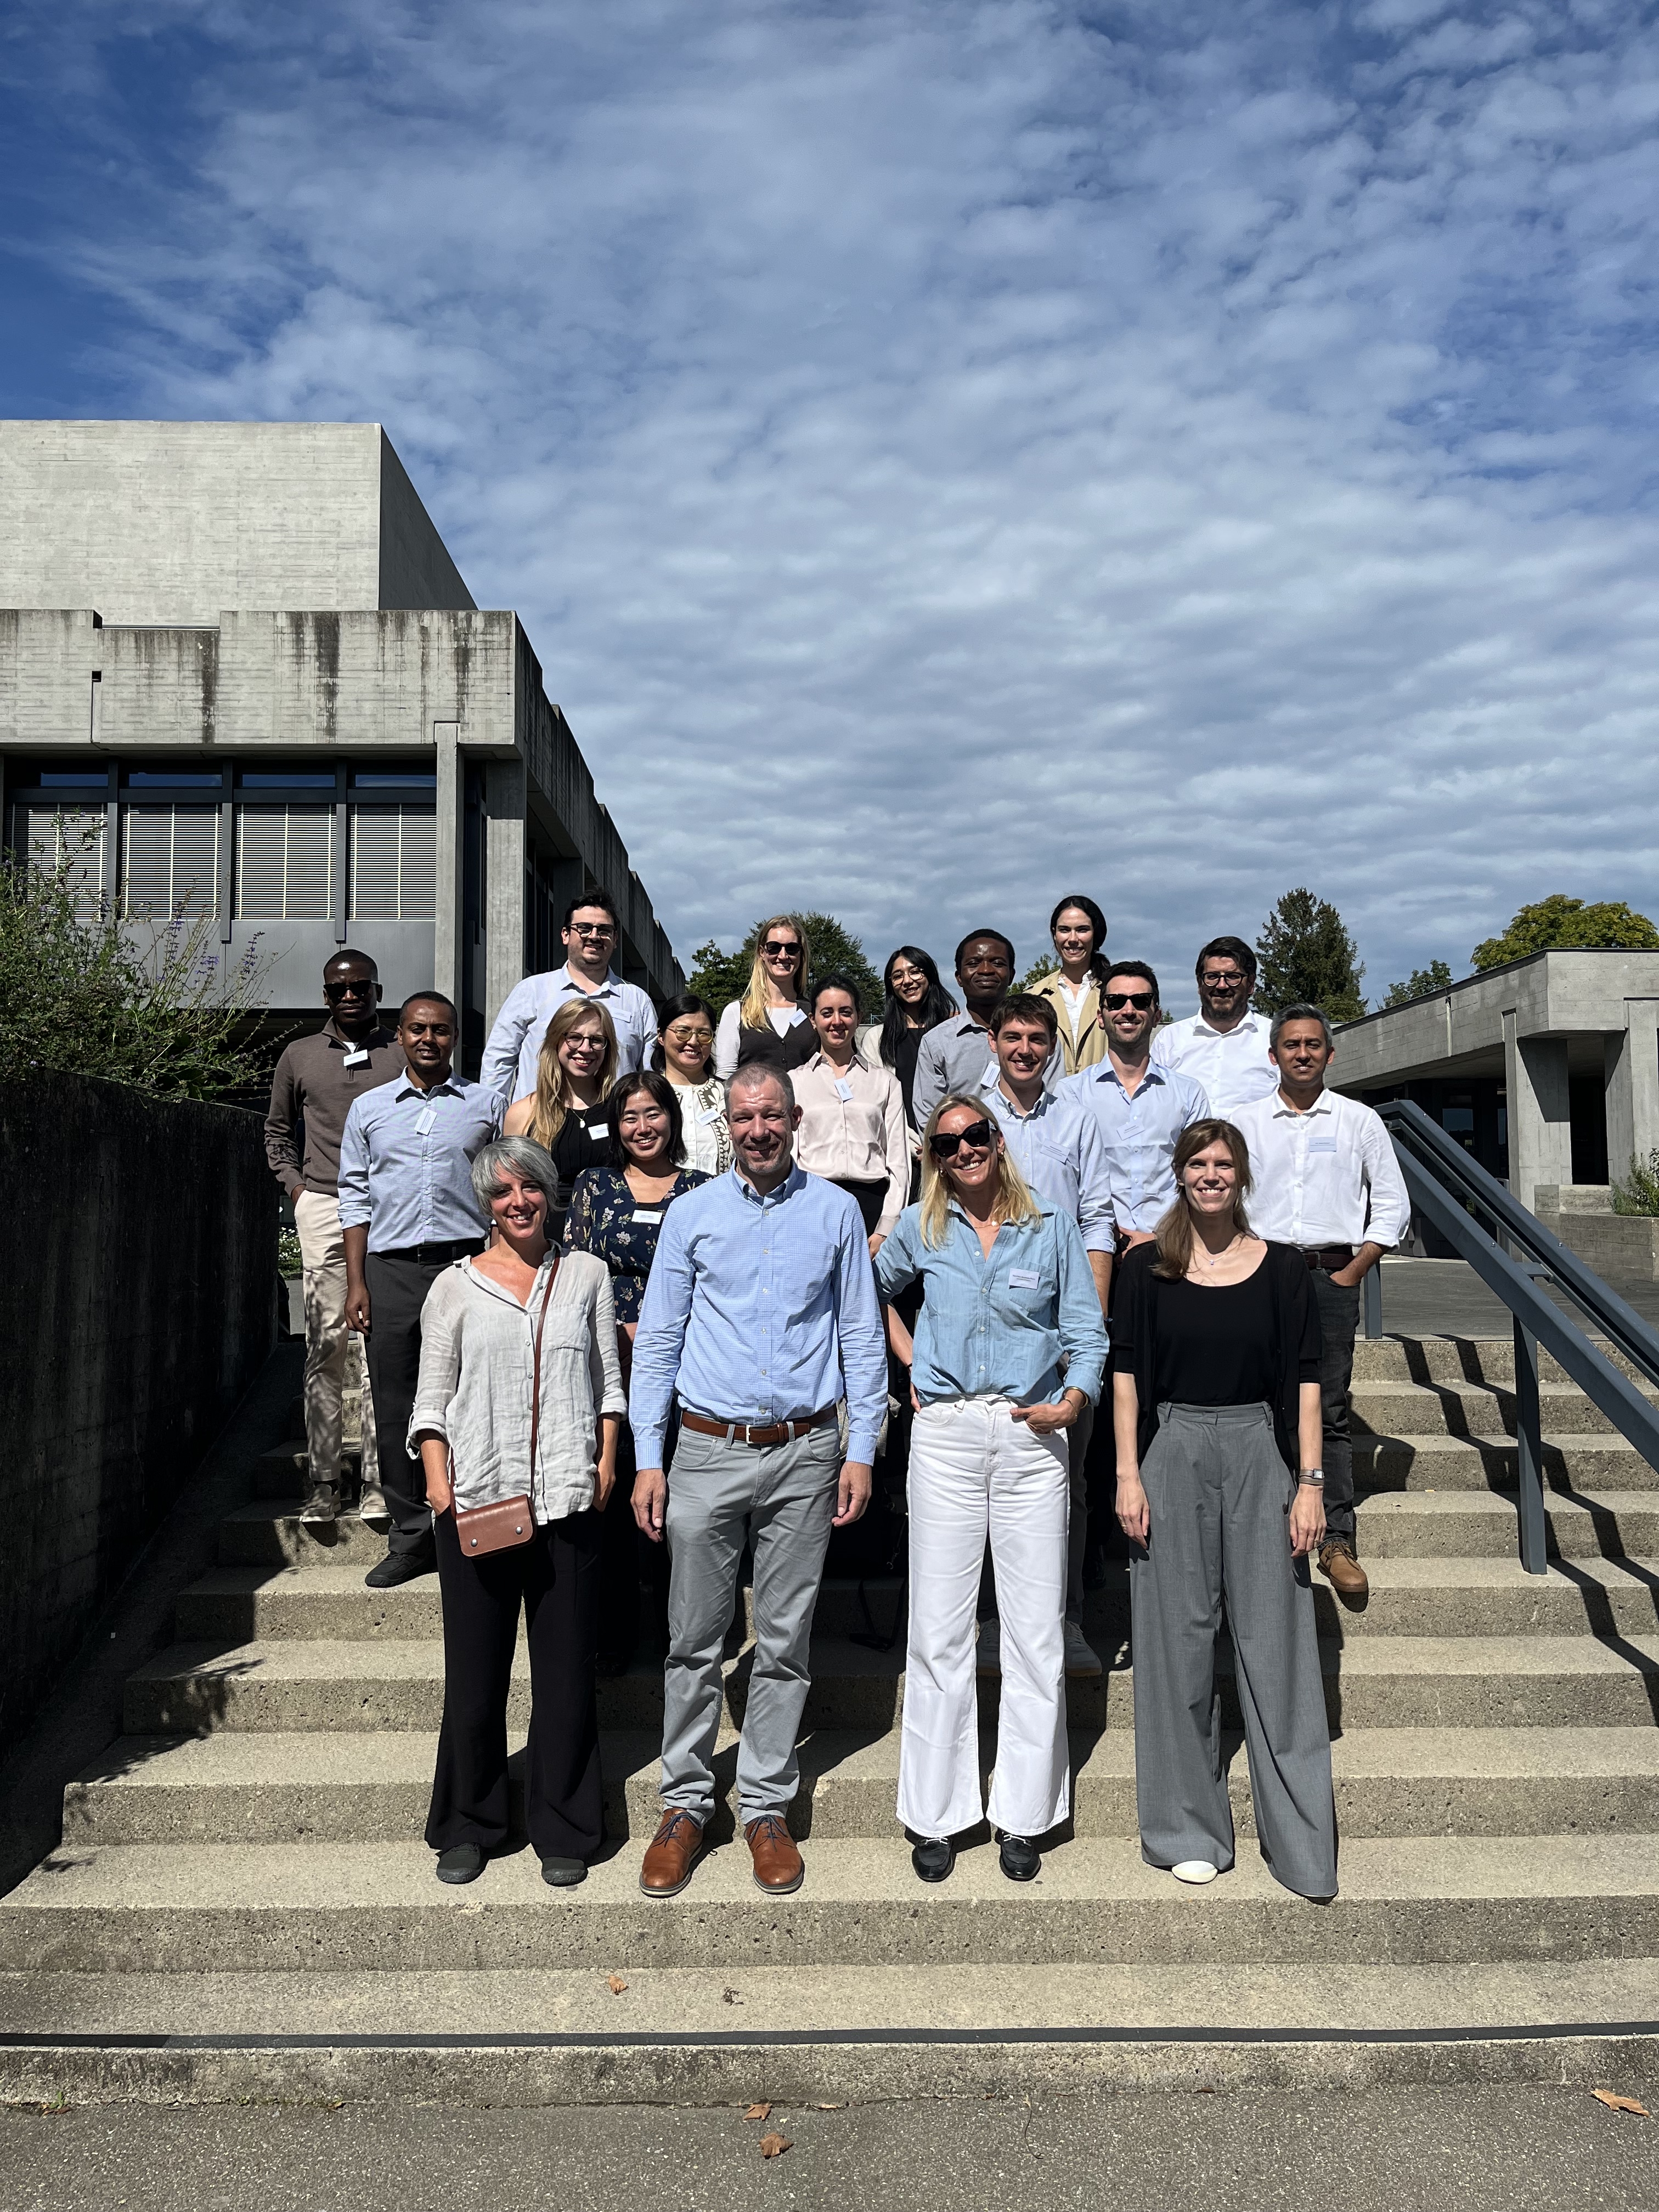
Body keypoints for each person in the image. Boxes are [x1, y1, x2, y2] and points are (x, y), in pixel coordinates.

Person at [628, 1063, 888, 1900]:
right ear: (729, 1126)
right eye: (745, 1118)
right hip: (705, 1449)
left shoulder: (836, 1213)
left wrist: (862, 1449)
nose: (759, 1130)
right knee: (694, 1640)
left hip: (806, 1451)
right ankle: (685, 1804)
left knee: (783, 1642)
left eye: (772, 1115)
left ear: (794, 1119)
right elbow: (659, 1342)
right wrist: (647, 1457)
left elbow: (860, 1335)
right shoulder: (693, 1216)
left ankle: (767, 1806)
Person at [877, 1098, 1106, 1886]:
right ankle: (938, 1814)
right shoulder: (920, 1228)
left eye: (976, 1136)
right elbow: (863, 1287)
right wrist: (906, 1354)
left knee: (1034, 1632)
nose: (964, 1150)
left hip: (1031, 1433)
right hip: (944, 1435)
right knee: (939, 1630)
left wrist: (1074, 1400)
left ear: (998, 1142)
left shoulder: (1050, 1227)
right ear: (934, 1156)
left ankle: (1025, 1814)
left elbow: (1087, 1331)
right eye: (947, 1143)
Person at [1111, 1119, 1336, 1899]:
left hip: (1257, 1449)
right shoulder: (1146, 1269)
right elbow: (1128, 1377)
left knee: (1276, 1648)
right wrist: (1127, 1476)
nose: (1211, 1176)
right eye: (1198, 1164)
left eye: (1224, 1164)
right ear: (1179, 1174)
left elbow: (1307, 1381)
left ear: (1242, 1176)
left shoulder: (1281, 1270)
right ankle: (1188, 1827)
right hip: (1170, 1450)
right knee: (1177, 1642)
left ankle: (1301, 1840)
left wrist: (1311, 1485)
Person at [411, 1137, 626, 1888]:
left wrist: (604, 1465)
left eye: (529, 1187)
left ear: (548, 1192)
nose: (518, 1202)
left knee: (566, 1677)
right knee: (475, 1679)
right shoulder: (454, 1288)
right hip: (478, 1501)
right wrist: (440, 1486)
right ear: (486, 1205)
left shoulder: (587, 1276)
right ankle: (468, 1822)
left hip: (569, 1502)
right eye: (502, 1193)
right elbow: (430, 1402)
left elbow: (607, 1385)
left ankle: (564, 1823)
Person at [1229, 1005, 1411, 1609]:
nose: (1302, 1053)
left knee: (1329, 1409)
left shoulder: (1359, 1121)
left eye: (1313, 1045)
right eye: (1290, 1045)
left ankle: (1336, 1539)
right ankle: (1264, 1528)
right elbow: (1222, 1195)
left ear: (1330, 1055)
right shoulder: (1245, 1122)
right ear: (1273, 1055)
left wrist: (1353, 1272)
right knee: (1255, 1402)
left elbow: (1391, 1205)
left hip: (1329, 1276)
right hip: (1258, 1275)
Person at [340, 994, 500, 1589]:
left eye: (440, 1030)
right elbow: (354, 1197)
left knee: (471, 1397)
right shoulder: (369, 1109)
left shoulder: (485, 1105)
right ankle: (411, 1536)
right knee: (396, 1398)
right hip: (391, 1268)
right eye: (417, 1029)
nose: (428, 1039)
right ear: (400, 1035)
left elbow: (500, 1193)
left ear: (456, 1036)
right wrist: (357, 1280)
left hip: (464, 1267)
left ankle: (473, 1522)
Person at [976, 994, 1114, 1677]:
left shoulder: (1079, 1120)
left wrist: (1085, 1320)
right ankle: (991, 1622)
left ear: (1052, 1045)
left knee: (1068, 1483)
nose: (1025, 1048)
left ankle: (1066, 1619)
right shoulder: (967, 1118)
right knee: (983, 1481)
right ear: (993, 1041)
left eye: (1036, 1037)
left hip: (1060, 1326)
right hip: (983, 1325)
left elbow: (1097, 1222)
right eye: (1013, 1037)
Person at [563, 1071, 710, 1671]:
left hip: (687, 1367)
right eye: (630, 1117)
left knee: (684, 1504)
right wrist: (610, 1334)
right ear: (616, 1127)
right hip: (607, 1364)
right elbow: (573, 1268)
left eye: (653, 1114)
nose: (642, 1127)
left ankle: (686, 1635)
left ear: (671, 1119)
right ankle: (614, 1635)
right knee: (615, 1491)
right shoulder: (595, 1186)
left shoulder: (703, 1190)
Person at [263, 950, 404, 1528]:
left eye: (361, 987)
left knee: (378, 1350)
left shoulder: (400, 1055)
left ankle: (376, 1478)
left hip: (388, 1209)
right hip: (322, 1204)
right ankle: (324, 1481)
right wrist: (298, 1190)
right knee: (326, 1344)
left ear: (377, 991)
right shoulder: (298, 1056)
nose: (351, 996)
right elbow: (276, 1130)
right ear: (326, 996)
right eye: (340, 989)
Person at [1060, 961, 1210, 1253]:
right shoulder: (1071, 1094)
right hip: (1095, 1250)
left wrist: (1160, 1237)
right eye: (1116, 1002)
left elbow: (1200, 1177)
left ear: (1157, 1015)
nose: (1128, 1010)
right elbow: (1067, 1180)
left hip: (1172, 1248)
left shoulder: (1189, 1093)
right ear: (1101, 1016)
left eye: (1140, 1001)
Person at [481, 890, 657, 1105]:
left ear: (615, 939)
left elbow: (651, 1075)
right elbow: (499, 1061)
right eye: (584, 929)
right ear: (565, 935)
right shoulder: (532, 990)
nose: (594, 936)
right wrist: (495, 1121)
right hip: (539, 1128)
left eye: (604, 930)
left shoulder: (637, 1001)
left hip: (612, 1131)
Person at [792, 973, 909, 1251]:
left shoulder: (885, 1083)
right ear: (813, 1020)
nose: (837, 1021)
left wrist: (886, 1228)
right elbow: (790, 1157)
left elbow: (898, 1161)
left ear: (858, 1017)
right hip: (811, 1202)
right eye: (827, 1013)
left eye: (846, 1012)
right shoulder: (795, 1082)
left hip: (871, 1205)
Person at [912, 929, 1059, 1131]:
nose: (986, 970)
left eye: (997, 963)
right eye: (974, 963)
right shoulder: (936, 1043)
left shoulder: (1039, 1040)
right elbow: (930, 1120)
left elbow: (1053, 1105)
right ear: (959, 977)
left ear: (1012, 975)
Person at [503, 998, 618, 1239]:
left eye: (596, 1040)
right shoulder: (523, 1113)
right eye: (574, 1037)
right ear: (556, 1041)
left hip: (609, 1236)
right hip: (544, 1240)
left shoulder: (620, 1108)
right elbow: (508, 1192)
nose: (585, 1049)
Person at [1152, 935, 1278, 1114]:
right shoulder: (1170, 1040)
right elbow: (1153, 1107)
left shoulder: (1274, 1038)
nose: (1222, 985)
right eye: (1212, 977)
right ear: (1199, 983)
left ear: (1251, 984)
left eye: (1233, 977)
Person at [869, 946, 958, 1149]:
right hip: (900, 1147)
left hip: (952, 1147)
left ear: (930, 975)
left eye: (915, 971)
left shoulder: (952, 1032)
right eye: (898, 976)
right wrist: (913, 1144)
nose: (907, 981)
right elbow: (876, 1102)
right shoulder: (877, 1039)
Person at [712, 915, 815, 1078]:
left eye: (792, 948)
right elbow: (726, 1076)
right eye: (774, 947)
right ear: (762, 952)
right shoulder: (737, 1012)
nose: (783, 956)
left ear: (801, 955)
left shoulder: (815, 1012)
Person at [1029, 895, 1110, 1077]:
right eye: (1064, 930)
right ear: (1055, 935)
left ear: (1095, 933)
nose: (1073, 939)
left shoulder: (1115, 993)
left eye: (1082, 930)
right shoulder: (1034, 996)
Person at [652, 992, 733, 1175]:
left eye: (704, 1034)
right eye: (683, 1032)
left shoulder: (729, 1094)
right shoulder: (645, 1095)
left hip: (721, 1201)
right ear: (661, 1036)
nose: (694, 1041)